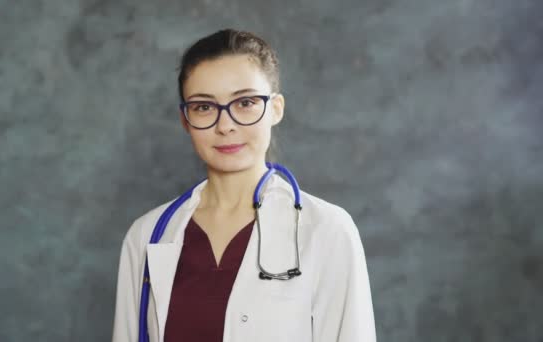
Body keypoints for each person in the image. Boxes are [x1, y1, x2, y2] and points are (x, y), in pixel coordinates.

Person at [112, 28, 376, 342]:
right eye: (204, 107)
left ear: (275, 109)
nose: (225, 126)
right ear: (186, 120)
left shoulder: (327, 230)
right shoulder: (147, 236)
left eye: (246, 102)